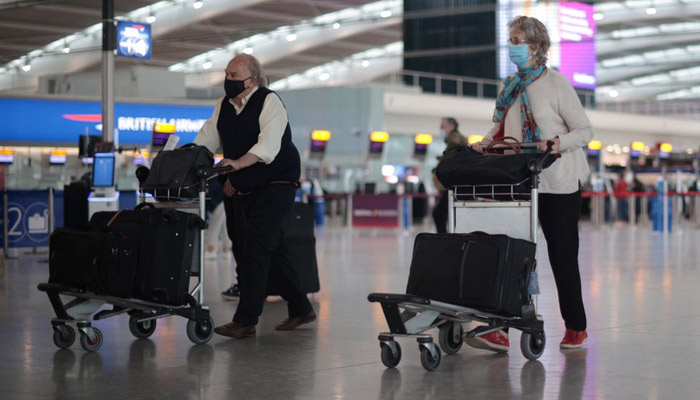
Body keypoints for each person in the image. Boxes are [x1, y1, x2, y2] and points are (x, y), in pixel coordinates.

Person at [469, 16, 592, 350]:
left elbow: (583, 130)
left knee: (562, 256)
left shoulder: (555, 84)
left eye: (517, 39)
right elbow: (499, 128)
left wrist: (556, 143)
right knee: (513, 255)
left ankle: (576, 326)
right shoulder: (510, 85)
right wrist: (484, 143)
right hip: (520, 181)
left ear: (536, 46)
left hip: (558, 182)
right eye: (510, 39)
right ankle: (502, 329)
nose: (512, 46)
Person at [194, 54, 316, 338]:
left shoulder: (269, 101)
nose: (228, 81)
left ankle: (246, 319)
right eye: (227, 75)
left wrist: (236, 166)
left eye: (235, 76)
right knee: (259, 247)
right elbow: (208, 139)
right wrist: (192, 157)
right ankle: (300, 307)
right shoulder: (223, 106)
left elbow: (269, 147)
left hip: (277, 181)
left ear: (253, 80)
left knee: (257, 245)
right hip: (239, 183)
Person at [432, 117, 466, 233]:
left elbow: (455, 147)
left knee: (438, 214)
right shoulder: (460, 137)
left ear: (451, 126)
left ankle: (443, 240)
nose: (441, 129)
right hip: (462, 183)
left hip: (456, 183)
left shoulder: (454, 137)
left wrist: (443, 159)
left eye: (443, 126)